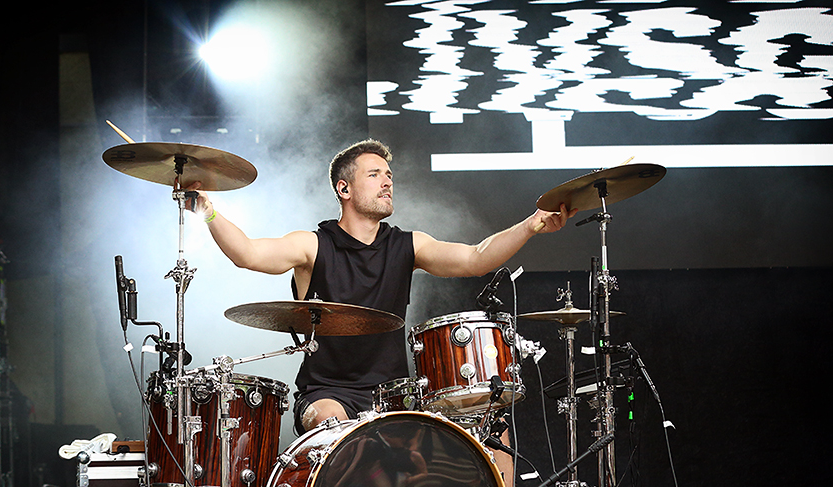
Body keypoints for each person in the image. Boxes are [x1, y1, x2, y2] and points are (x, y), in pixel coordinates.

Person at [188, 139, 575, 438]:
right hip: (328, 393)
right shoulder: (312, 245)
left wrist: (530, 225)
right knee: (333, 424)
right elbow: (248, 253)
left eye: (389, 174)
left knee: (489, 430)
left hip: (394, 395)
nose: (388, 181)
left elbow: (476, 258)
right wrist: (207, 209)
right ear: (344, 189)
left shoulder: (408, 245)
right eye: (374, 174)